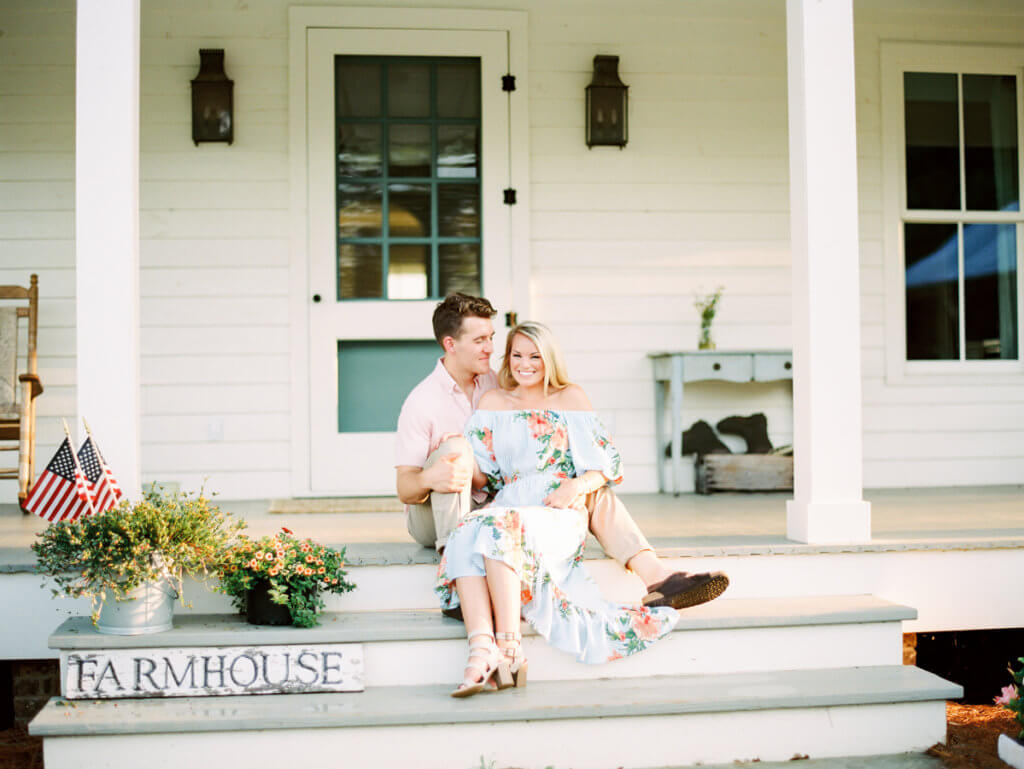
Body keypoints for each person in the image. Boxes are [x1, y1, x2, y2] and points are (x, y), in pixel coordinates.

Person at [394, 294, 728, 616]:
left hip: (512, 497)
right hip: (446, 509)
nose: (491, 349)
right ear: (451, 345)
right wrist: (440, 471)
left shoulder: (496, 384)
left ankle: (659, 578)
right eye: (481, 340)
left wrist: (576, 484)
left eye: (493, 339)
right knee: (455, 451)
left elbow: (594, 458)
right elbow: (409, 486)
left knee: (592, 490)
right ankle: (458, 583)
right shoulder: (425, 401)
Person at [438, 322, 681, 697]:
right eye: (517, 355)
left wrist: (577, 486)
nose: (525, 364)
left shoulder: (570, 398)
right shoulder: (493, 404)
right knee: (473, 527)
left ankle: (509, 648)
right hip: (511, 503)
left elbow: (607, 462)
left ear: (548, 359)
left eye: (534, 356)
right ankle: (482, 649)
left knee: (500, 525)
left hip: (557, 506)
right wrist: (457, 450)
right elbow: (484, 478)